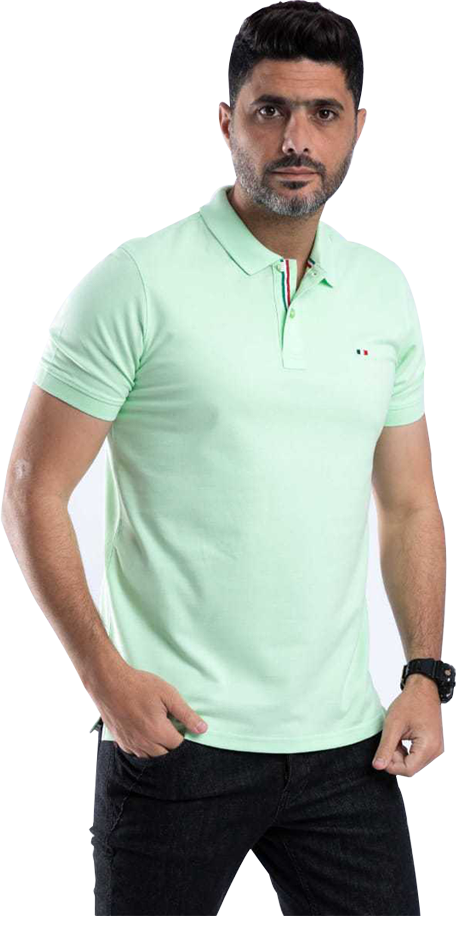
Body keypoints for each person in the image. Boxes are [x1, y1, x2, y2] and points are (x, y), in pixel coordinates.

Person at [2, 0, 452, 916]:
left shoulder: (382, 294)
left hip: (346, 750)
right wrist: (104, 678)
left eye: (323, 113)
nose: (296, 139)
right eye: (269, 109)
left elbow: (409, 502)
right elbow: (31, 487)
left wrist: (425, 672)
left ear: (358, 125)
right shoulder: (139, 282)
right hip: (177, 742)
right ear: (226, 120)